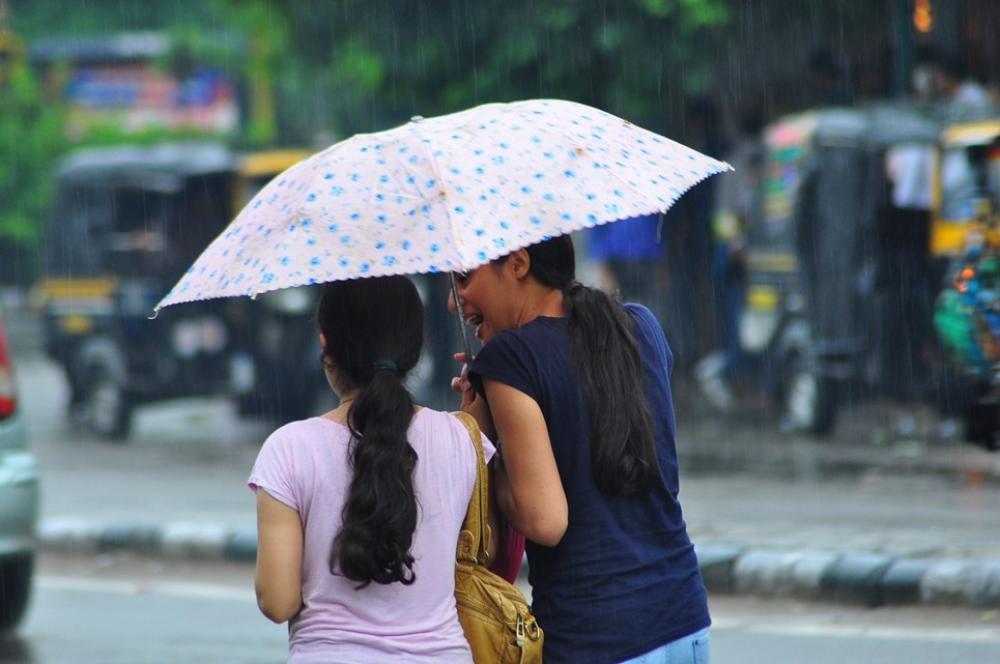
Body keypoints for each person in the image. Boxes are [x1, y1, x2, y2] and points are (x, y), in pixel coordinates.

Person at [451, 235, 711, 663]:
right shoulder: (640, 324)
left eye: (464, 278)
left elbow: (545, 519)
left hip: (596, 636)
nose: (455, 301)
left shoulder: (509, 358)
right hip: (685, 621)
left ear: (518, 263)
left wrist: (488, 446)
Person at [249, 276, 495, 663]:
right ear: (415, 347)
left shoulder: (289, 448)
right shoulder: (463, 439)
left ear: (325, 344)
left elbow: (278, 602)